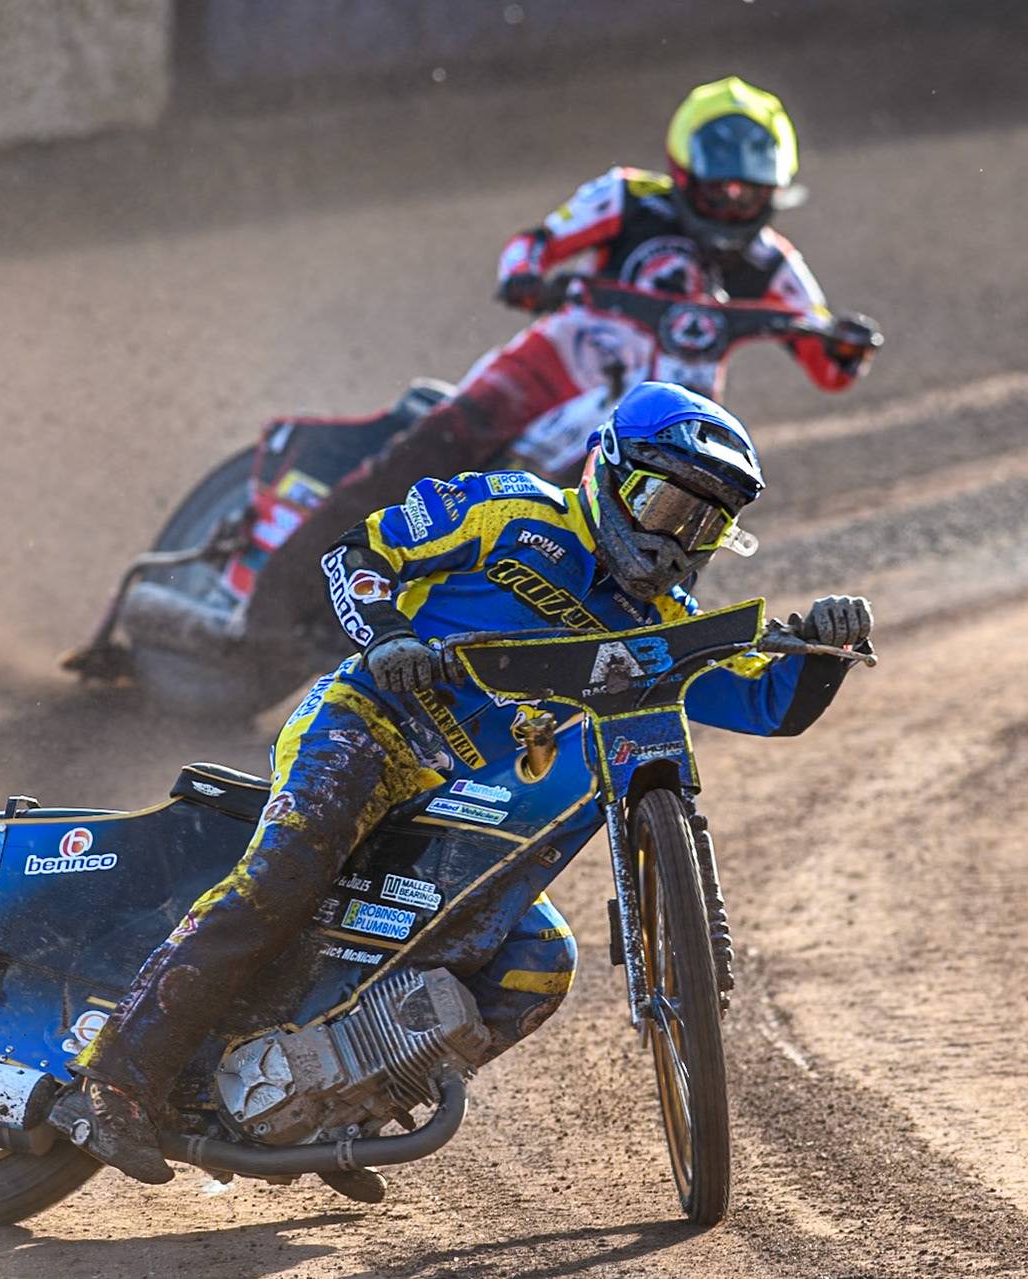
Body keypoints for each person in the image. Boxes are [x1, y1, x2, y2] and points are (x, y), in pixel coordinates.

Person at [51, 381, 874, 1192]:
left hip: (466, 802)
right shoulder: (507, 511)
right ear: (608, 472)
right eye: (665, 507)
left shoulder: (662, 620)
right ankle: (112, 1081)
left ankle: (334, 1109)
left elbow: (768, 702)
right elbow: (358, 554)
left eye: (706, 523)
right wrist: (387, 638)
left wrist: (826, 651)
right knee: (286, 877)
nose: (676, 541)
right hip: (367, 726)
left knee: (536, 961)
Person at [243, 75, 878, 652]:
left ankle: (615, 671)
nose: (733, 205)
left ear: (775, 192)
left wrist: (848, 347)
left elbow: (827, 363)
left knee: (655, 531)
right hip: (554, 362)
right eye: (721, 190)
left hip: (654, 422)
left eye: (750, 194)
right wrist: (527, 278)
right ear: (684, 172)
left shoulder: (773, 262)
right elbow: (529, 248)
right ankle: (271, 606)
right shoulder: (628, 197)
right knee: (428, 454)